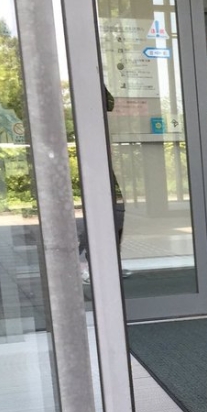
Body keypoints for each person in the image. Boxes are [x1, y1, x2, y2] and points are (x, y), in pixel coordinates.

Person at [78, 85, 128, 282]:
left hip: (99, 159)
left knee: (115, 214)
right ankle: (89, 263)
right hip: (89, 160)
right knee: (98, 215)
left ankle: (109, 263)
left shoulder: (92, 80)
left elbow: (110, 103)